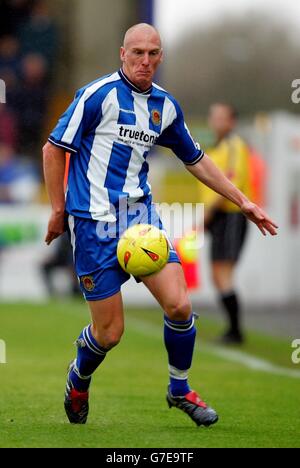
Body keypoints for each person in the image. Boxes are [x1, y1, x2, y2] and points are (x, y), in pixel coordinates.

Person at [43, 24, 278, 426]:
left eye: (153, 53)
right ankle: (79, 379)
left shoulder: (166, 106)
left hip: (140, 220)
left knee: (180, 305)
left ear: (161, 57)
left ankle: (179, 388)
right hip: (93, 223)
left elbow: (197, 159)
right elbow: (53, 148)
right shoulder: (96, 96)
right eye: (137, 52)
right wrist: (57, 210)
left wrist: (242, 200)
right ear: (122, 54)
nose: (144, 61)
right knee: (109, 333)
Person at [198, 103, 253, 344]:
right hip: (217, 217)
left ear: (231, 122)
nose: (216, 122)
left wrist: (208, 213)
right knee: (216, 274)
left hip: (230, 215)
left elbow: (231, 183)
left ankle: (236, 331)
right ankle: (233, 329)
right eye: (213, 118)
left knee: (224, 273)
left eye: (221, 118)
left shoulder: (235, 146)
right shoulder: (216, 148)